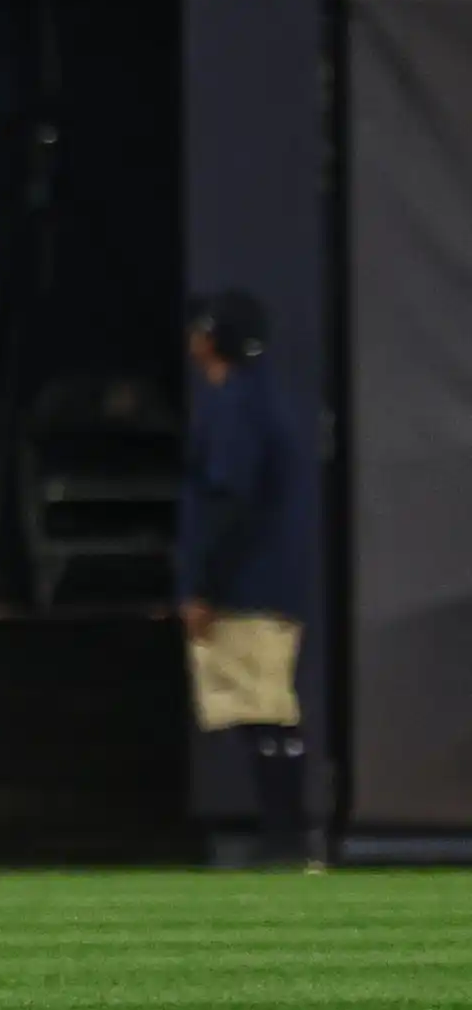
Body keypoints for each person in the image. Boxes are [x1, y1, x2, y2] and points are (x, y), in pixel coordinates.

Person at [180, 289, 311, 865]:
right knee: (264, 712)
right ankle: (285, 838)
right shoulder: (257, 398)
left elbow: (229, 500)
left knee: (265, 713)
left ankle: (287, 841)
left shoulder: (237, 405)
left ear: (209, 338)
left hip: (248, 584)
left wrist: (202, 584)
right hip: (263, 579)